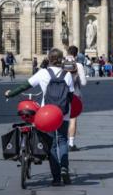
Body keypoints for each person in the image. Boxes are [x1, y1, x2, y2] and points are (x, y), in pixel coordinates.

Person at [5, 48, 74, 186]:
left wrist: (10, 93)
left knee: (52, 144)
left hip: (47, 113)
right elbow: (71, 96)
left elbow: (25, 86)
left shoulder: (42, 73)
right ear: (61, 59)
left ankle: (56, 178)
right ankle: (64, 167)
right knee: (62, 140)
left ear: (49, 58)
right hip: (63, 113)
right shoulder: (67, 74)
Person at [64, 45, 87, 152]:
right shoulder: (78, 65)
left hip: (61, 94)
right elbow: (83, 82)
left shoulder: (60, 64)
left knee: (60, 118)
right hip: (74, 94)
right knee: (72, 118)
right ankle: (71, 144)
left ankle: (60, 141)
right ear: (76, 54)